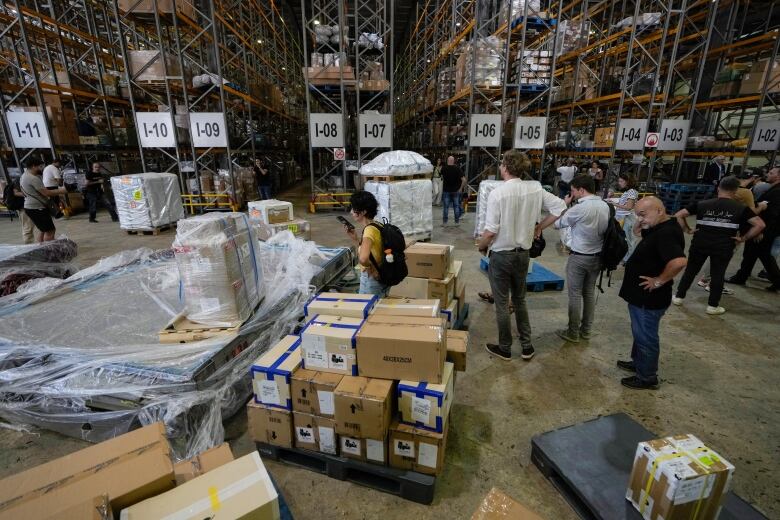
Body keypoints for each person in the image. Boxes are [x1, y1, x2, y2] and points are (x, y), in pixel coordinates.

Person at [477, 150, 566, 361]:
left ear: (506, 167)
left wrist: (482, 246)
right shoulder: (535, 189)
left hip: (501, 255)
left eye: (501, 164)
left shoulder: (498, 193)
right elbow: (560, 207)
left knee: (501, 303)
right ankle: (527, 346)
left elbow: (490, 231)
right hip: (523, 255)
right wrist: (539, 228)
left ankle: (505, 347)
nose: (500, 167)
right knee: (520, 300)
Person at [617, 196, 687, 390]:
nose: (640, 219)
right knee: (640, 332)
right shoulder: (660, 227)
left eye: (643, 214)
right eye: (637, 215)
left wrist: (659, 281)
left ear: (659, 211)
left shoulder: (667, 233)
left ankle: (647, 376)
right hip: (641, 296)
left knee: (645, 336)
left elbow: (679, 261)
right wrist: (639, 230)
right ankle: (638, 362)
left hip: (649, 299)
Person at [672, 176, 765, 315]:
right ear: (735, 192)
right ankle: (712, 306)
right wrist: (743, 238)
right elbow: (760, 224)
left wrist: (688, 230)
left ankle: (679, 297)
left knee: (691, 270)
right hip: (724, 245)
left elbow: (678, 215)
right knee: (718, 274)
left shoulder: (703, 204)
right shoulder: (741, 208)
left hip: (700, 242)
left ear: (718, 188)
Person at [553, 175, 609, 343]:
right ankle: (586, 331)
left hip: (579, 257)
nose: (573, 194)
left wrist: (565, 204)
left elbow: (558, 224)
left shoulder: (579, 208)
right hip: (598, 257)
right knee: (589, 294)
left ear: (581, 189)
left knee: (575, 295)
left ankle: (572, 332)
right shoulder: (605, 206)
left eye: (573, 191)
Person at [727, 165, 780, 292]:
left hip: (766, 230)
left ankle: (777, 281)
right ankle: (741, 276)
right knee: (752, 253)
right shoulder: (774, 189)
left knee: (763, 255)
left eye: (771, 172)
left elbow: (774, 215)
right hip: (764, 228)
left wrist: (760, 230)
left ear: (778, 176)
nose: (768, 174)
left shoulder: (778, 191)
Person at [343, 190, 387, 296]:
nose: (351, 212)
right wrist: (357, 239)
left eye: (354, 209)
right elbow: (373, 250)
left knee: (366, 309)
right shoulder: (377, 225)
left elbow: (363, 258)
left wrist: (371, 270)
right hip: (382, 275)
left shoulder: (368, 231)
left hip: (371, 280)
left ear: (363, 212)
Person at [19, 157, 66, 242]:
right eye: (40, 166)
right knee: (50, 231)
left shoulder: (24, 176)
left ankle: (41, 249)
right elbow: (46, 193)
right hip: (37, 208)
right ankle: (49, 252)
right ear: (33, 166)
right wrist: (63, 190)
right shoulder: (32, 178)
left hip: (32, 207)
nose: (42, 168)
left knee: (43, 230)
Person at [612, 173, 639, 263]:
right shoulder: (628, 191)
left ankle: (628, 259)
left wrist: (613, 204)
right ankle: (625, 257)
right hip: (623, 217)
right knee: (624, 239)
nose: (619, 183)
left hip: (627, 218)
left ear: (627, 182)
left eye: (621, 181)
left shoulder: (631, 191)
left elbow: (629, 207)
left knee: (628, 239)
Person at [9, 178, 37, 243]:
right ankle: (28, 245)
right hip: (23, 208)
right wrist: (29, 194)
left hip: (26, 206)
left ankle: (29, 244)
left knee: (28, 226)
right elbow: (15, 193)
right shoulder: (20, 179)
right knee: (28, 227)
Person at [441, 156, 466, 225]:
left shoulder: (443, 168)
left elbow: (442, 177)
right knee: (456, 206)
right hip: (456, 191)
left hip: (446, 190)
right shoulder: (458, 168)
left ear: (447, 160)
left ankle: (445, 223)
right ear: (454, 161)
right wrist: (460, 189)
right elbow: (464, 180)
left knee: (446, 207)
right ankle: (456, 222)